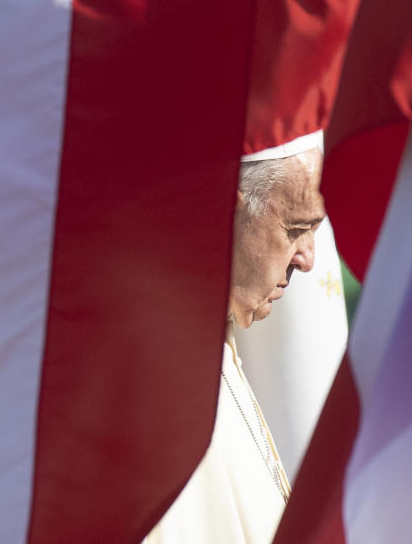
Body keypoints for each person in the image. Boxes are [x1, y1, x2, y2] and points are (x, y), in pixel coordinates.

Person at [144, 132, 326, 544]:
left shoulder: (210, 338)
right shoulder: (148, 373)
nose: (309, 259)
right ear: (224, 209)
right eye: (296, 228)